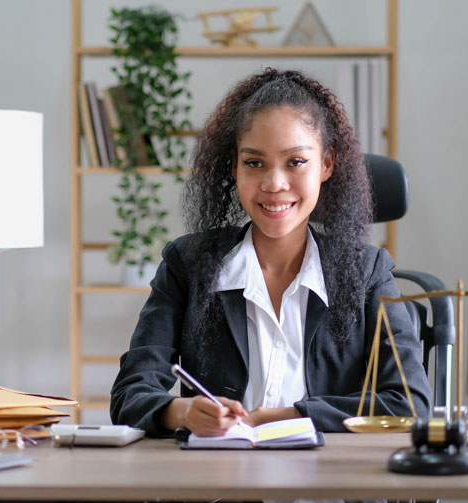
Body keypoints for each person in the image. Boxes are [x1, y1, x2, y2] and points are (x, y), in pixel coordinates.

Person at [110, 67, 432, 439]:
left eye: (296, 162)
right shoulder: (188, 264)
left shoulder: (368, 271)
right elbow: (129, 395)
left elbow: (409, 404)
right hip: (221, 485)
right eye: (253, 162)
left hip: (331, 487)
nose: (274, 183)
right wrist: (181, 411)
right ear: (234, 165)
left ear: (326, 164)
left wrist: (288, 416)